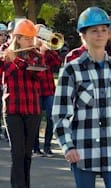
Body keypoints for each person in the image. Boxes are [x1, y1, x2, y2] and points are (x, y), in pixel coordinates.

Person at [52, 7, 111, 188]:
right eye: (93, 30)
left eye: (103, 29)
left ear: (109, 34)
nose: (100, 34)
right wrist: (67, 146)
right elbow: (60, 114)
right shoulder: (71, 70)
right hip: (82, 151)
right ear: (83, 35)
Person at [0, 19, 45, 188]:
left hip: (33, 110)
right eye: (28, 39)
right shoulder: (5, 52)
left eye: (32, 38)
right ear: (18, 38)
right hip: (13, 109)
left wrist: (16, 60)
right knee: (17, 153)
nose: (31, 42)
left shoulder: (37, 55)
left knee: (27, 153)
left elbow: (37, 74)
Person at [32, 24, 62, 157]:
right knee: (36, 120)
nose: (42, 38)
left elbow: (57, 62)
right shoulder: (31, 50)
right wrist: (42, 52)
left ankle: (48, 146)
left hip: (49, 89)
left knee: (51, 117)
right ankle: (35, 148)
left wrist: (49, 49)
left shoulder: (48, 49)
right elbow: (35, 66)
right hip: (36, 90)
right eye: (40, 36)